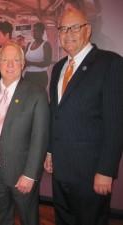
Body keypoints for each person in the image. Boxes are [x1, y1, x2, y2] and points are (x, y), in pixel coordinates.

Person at [44, 10, 123, 225]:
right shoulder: (59, 67)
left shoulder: (111, 63)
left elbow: (115, 124)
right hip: (61, 170)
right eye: (63, 29)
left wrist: (106, 170)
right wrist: (50, 150)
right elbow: (56, 115)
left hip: (90, 173)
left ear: (88, 30)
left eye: (75, 27)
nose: (68, 33)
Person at [0, 43, 49, 225]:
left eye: (15, 60)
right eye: (5, 60)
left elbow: (39, 139)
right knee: (0, 217)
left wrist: (30, 174)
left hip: (22, 173)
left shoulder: (37, 95)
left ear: (23, 63)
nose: (10, 65)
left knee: (28, 218)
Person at [24, 22, 52, 90]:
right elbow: (24, 59)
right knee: (28, 98)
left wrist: (30, 63)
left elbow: (47, 62)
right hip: (28, 75)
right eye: (33, 31)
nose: (34, 32)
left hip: (40, 76)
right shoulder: (29, 44)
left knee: (38, 97)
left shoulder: (46, 45)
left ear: (42, 32)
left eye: (36, 31)